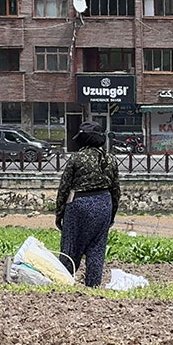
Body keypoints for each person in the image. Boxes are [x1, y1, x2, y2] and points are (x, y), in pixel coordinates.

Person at [55, 121, 121, 288]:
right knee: (97, 249)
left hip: (79, 205)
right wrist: (111, 215)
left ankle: (63, 283)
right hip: (104, 204)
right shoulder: (110, 159)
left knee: (71, 247)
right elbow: (116, 191)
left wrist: (59, 214)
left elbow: (64, 188)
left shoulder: (77, 158)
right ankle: (93, 286)